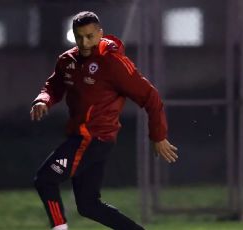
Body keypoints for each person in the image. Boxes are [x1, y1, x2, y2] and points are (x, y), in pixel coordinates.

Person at [31, 11, 178, 230]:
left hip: (92, 138)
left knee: (45, 179)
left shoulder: (113, 63)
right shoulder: (67, 60)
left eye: (90, 36)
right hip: (84, 137)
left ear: (100, 33)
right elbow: (53, 86)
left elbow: (151, 97)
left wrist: (158, 135)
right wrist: (43, 100)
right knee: (89, 205)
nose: (84, 42)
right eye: (79, 37)